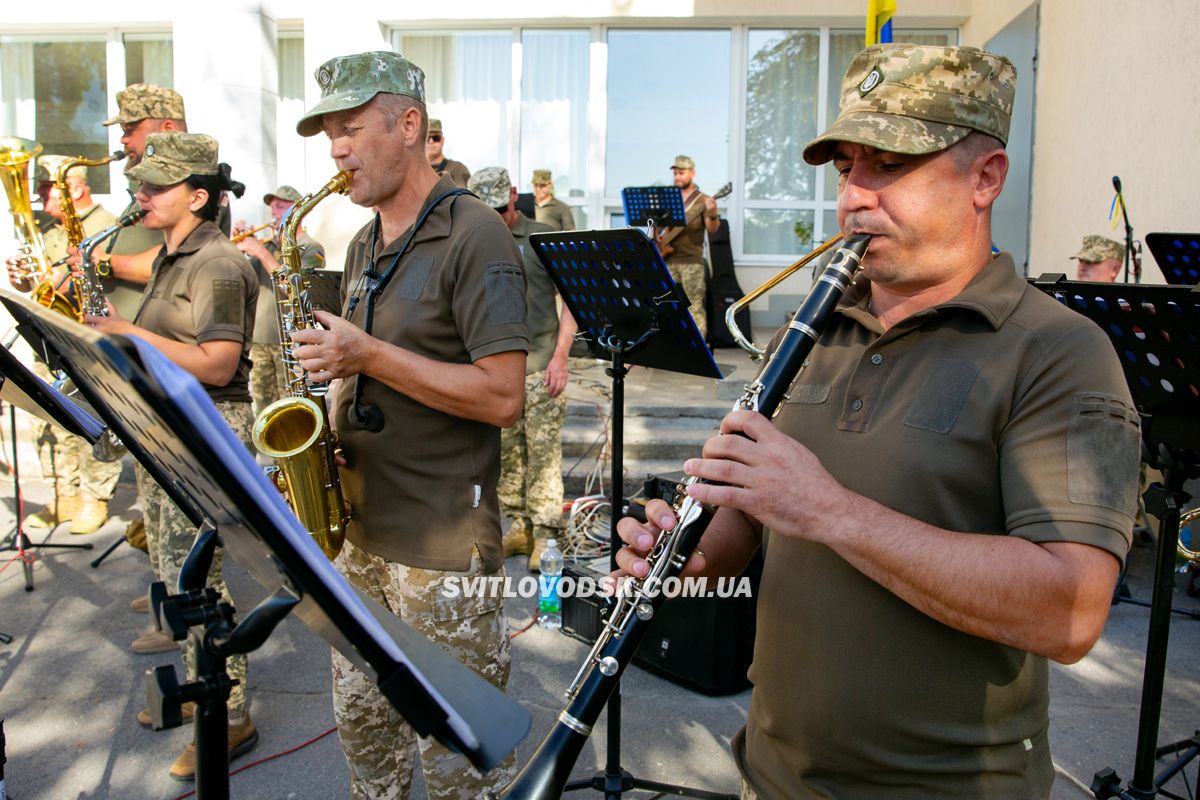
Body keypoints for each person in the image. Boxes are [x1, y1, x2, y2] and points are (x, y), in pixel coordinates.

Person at [615, 44, 1140, 799]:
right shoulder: (817, 328)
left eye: (890, 164)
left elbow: (1072, 611)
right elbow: (756, 520)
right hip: (769, 775)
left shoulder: (1059, 352)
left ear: (985, 179)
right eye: (846, 168)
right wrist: (694, 551)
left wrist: (830, 510)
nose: (854, 197)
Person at [290, 51, 527, 799]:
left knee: (461, 769)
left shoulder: (475, 231)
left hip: (440, 549)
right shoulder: (363, 243)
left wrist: (368, 354)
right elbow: (370, 369)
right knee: (369, 753)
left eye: (351, 129)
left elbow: (502, 397)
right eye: (329, 135)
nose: (336, 150)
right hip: (358, 539)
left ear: (410, 125)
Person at [85, 131, 259, 781]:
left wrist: (130, 334)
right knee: (172, 574)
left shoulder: (217, 263)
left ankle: (233, 714)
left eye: (157, 187)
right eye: (142, 184)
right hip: (168, 428)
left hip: (206, 427)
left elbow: (217, 364)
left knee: (202, 585)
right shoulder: (171, 254)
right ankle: (199, 696)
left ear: (200, 196)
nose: (142, 195)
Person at [470, 167, 577, 572]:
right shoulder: (477, 239)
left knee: (545, 453)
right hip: (499, 374)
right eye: (488, 209)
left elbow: (571, 299)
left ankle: (547, 533)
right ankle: (520, 526)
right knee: (509, 454)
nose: (497, 217)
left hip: (541, 366)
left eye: (502, 207)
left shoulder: (542, 236)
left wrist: (561, 356)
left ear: (514, 195)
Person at [9, 156, 122, 534]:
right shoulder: (49, 229)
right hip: (48, 334)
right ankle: (63, 495)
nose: (40, 196)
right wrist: (25, 281)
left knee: (91, 420)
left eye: (46, 189)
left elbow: (105, 280)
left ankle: (94, 498)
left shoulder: (106, 223)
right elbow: (43, 286)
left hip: (84, 337)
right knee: (48, 420)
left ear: (74, 188)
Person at [233, 185, 326, 413]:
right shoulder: (266, 247)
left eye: (281, 206)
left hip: (292, 343)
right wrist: (236, 248)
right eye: (272, 206)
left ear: (298, 211)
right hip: (259, 341)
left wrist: (262, 254)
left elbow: (297, 290)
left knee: (294, 408)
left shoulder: (312, 248)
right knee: (266, 411)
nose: (274, 212)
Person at [655, 155, 720, 338]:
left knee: (694, 306)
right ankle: (671, 345)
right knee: (665, 305)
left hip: (691, 261)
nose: (677, 177)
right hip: (666, 259)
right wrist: (657, 241)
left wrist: (712, 212)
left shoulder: (702, 200)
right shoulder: (668, 198)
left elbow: (712, 229)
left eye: (681, 173)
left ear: (692, 173)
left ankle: (697, 349)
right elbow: (657, 227)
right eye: (675, 173)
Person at [424, 118, 471, 187]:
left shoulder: (457, 169)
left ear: (442, 140)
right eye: (427, 138)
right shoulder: (415, 171)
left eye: (436, 138)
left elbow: (463, 196)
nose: (431, 142)